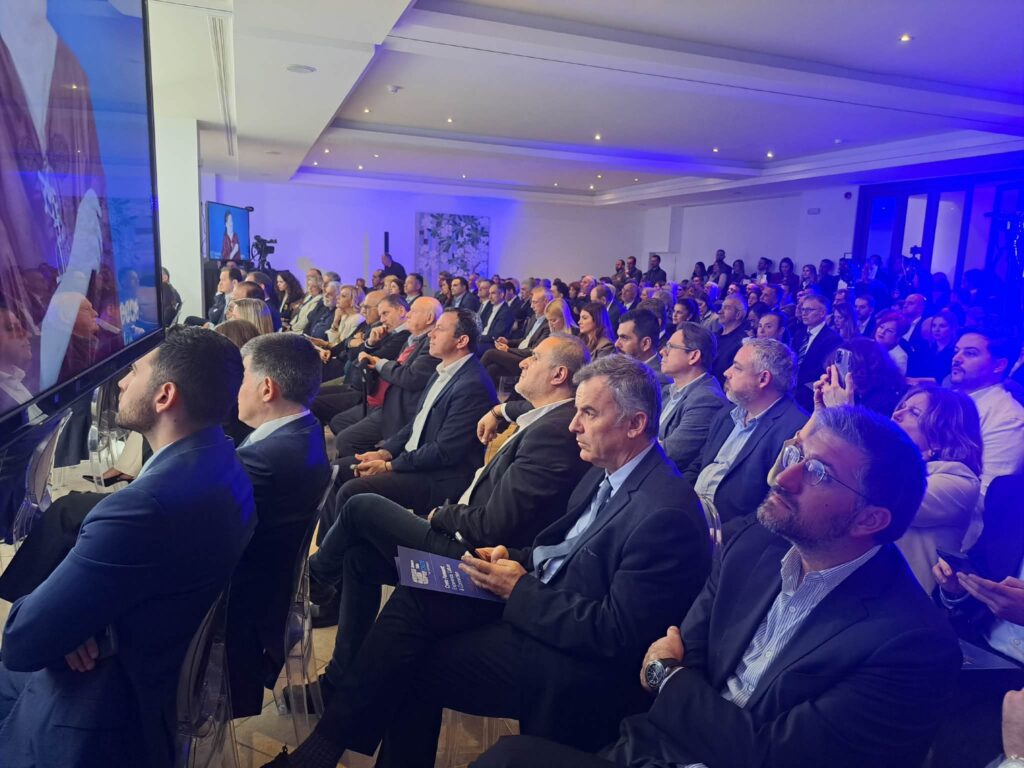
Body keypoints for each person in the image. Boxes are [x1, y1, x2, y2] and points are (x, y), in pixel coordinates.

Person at [262, 356, 712, 768]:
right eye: (576, 410)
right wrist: (512, 557)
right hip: (542, 603)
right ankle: (323, 747)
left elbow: (616, 635)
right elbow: (563, 549)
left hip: (574, 661)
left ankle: (321, 746)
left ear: (635, 424)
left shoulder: (665, 513)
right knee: (415, 603)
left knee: (410, 657)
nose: (574, 425)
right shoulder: (609, 468)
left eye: (589, 413)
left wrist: (519, 588)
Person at [476, 406, 962, 768]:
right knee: (506, 759)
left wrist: (669, 678)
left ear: (870, 519)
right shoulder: (754, 545)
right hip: (655, 750)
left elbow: (771, 758)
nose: (784, 475)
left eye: (818, 473)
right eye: (795, 452)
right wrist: (674, 680)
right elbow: (684, 660)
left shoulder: (912, 644)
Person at [0, 327, 255, 768]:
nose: (120, 382)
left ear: (164, 396)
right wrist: (76, 619)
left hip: (99, 711)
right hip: (153, 679)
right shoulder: (224, 460)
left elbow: (22, 641)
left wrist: (68, 621)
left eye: (133, 371)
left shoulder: (141, 509)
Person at [307, 335, 592, 699]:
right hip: (463, 529)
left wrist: (441, 515)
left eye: (534, 357)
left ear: (558, 375)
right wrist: (499, 411)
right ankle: (337, 677)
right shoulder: (546, 415)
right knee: (359, 559)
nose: (521, 361)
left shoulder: (553, 432)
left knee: (361, 505)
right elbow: (514, 410)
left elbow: (493, 526)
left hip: (479, 556)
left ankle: (314, 579)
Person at [226, 334, 331, 717]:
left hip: (239, 616)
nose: (233, 390)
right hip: (270, 593)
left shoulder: (265, 459)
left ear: (267, 388)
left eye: (240, 378)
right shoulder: (305, 426)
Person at [815, 376, 982, 592]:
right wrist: (821, 419)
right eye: (902, 406)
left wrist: (844, 417)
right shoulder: (889, 462)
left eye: (914, 412)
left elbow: (878, 493)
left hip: (890, 600)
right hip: (851, 583)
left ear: (939, 438)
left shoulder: (960, 481)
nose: (897, 414)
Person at [328, 307, 497, 517]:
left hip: (439, 476)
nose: (431, 334)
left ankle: (345, 538)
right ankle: (334, 539)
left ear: (461, 341)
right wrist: (385, 452)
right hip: (416, 459)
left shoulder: (472, 385)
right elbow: (417, 422)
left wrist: (389, 466)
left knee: (352, 489)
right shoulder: (443, 370)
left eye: (440, 329)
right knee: (337, 470)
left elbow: (445, 452)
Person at [685, 337, 808, 528]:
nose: (726, 372)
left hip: (724, 533)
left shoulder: (795, 430)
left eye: (737, 368)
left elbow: (771, 511)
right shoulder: (727, 413)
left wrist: (712, 536)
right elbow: (699, 465)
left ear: (763, 379)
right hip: (690, 514)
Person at [328, 297, 442, 456]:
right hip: (381, 398)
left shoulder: (432, 344)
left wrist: (379, 363)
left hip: (400, 409)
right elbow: (354, 358)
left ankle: (374, 463)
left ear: (429, 318)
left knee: (346, 440)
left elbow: (411, 377)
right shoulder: (412, 339)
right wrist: (372, 353)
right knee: (340, 423)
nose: (408, 315)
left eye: (413, 311)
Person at [951, 330, 1024, 545]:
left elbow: (986, 498)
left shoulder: (1007, 419)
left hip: (954, 537)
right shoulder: (950, 398)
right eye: (956, 351)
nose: (957, 358)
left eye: (970, 353)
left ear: (999, 365)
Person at [658, 322, 729, 472]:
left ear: (694, 356)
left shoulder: (707, 399)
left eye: (671, 347)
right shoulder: (668, 390)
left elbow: (669, 453)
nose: (662, 351)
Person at [481, 287, 552, 384]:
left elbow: (535, 350)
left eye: (535, 302)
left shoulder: (549, 324)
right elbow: (525, 340)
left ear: (546, 302)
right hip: (518, 353)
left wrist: (508, 349)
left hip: (528, 358)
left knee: (490, 353)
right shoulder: (534, 318)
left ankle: (470, 379)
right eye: (531, 302)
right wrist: (508, 342)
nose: (531, 306)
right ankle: (481, 392)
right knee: (492, 368)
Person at [791, 293, 842, 411]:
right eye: (803, 309)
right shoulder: (799, 334)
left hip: (812, 395)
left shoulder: (833, 339)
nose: (804, 313)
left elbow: (826, 370)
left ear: (822, 313)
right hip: (792, 388)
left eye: (809, 310)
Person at [615, 308, 667, 382]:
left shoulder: (655, 381)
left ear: (645, 344)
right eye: (618, 337)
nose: (616, 344)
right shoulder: (629, 365)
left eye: (624, 338)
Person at [709, 294, 747, 384]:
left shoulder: (742, 342)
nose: (720, 311)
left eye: (726, 308)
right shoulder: (714, 335)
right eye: (721, 308)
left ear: (738, 315)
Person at [874, 308, 910, 375]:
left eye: (889, 331)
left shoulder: (900, 356)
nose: (882, 332)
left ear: (898, 336)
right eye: (881, 327)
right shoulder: (868, 345)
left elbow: (896, 380)